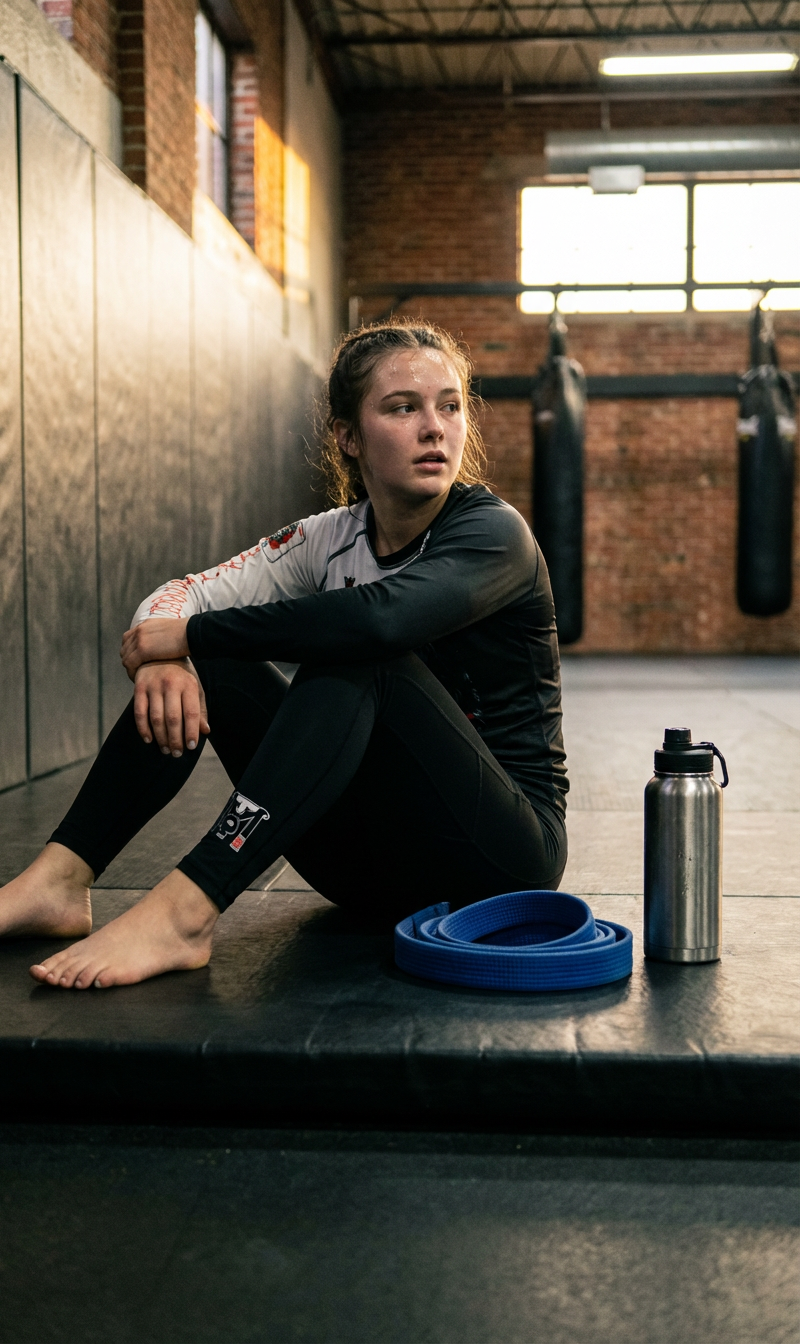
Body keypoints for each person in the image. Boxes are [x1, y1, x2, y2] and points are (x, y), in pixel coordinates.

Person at [0, 319, 569, 990]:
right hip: (363, 869)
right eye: (402, 407)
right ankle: (59, 880)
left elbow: (380, 622)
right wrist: (169, 656)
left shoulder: (494, 533)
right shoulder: (327, 538)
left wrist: (193, 636)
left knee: (361, 654)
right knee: (213, 670)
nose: (434, 427)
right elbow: (183, 594)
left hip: (498, 862)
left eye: (449, 405)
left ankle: (188, 910)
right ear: (348, 436)